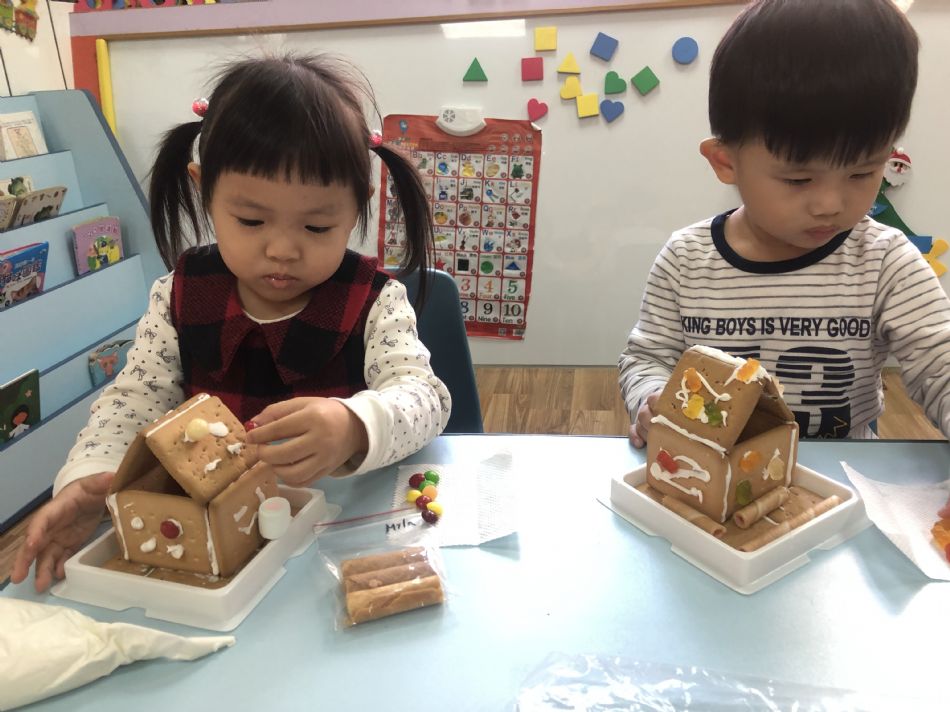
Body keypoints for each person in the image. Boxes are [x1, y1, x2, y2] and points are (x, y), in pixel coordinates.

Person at [12, 53, 451, 592]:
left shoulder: (377, 301)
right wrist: (91, 478)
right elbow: (132, 404)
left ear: (358, 203)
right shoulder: (178, 296)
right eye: (251, 220)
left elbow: (425, 398)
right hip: (212, 555)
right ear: (204, 191)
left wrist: (355, 424)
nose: (282, 249)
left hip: (335, 545)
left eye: (317, 227)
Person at [620, 0, 950, 471]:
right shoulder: (686, 260)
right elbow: (647, 357)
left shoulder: (885, 262)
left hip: (843, 479)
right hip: (717, 475)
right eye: (798, 179)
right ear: (726, 162)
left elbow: (941, 364)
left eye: (862, 172)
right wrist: (652, 397)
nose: (830, 203)